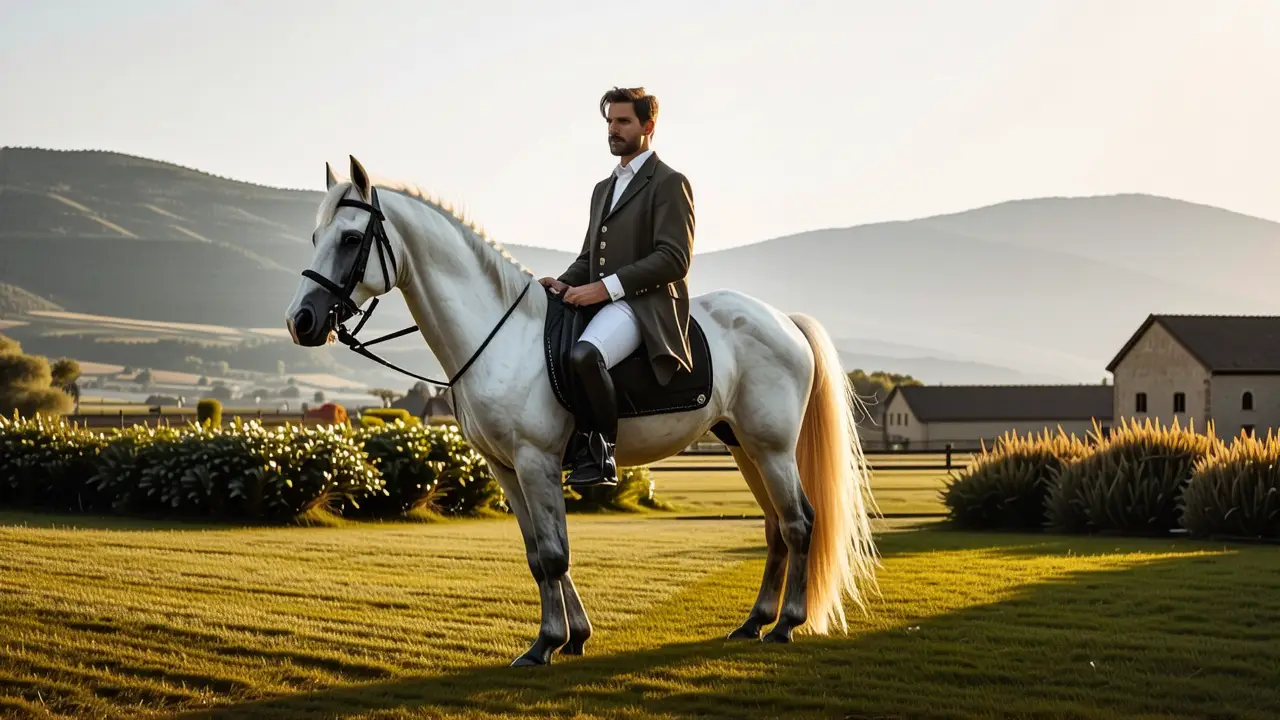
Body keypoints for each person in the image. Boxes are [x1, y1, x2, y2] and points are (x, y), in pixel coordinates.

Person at [540, 86, 697, 488]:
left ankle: (601, 452)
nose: (614, 129)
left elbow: (674, 258)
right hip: (608, 301)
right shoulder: (602, 189)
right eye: (610, 121)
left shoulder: (669, 182)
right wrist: (562, 282)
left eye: (623, 121)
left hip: (647, 306)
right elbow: (588, 258)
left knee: (584, 355)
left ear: (648, 125)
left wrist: (603, 289)